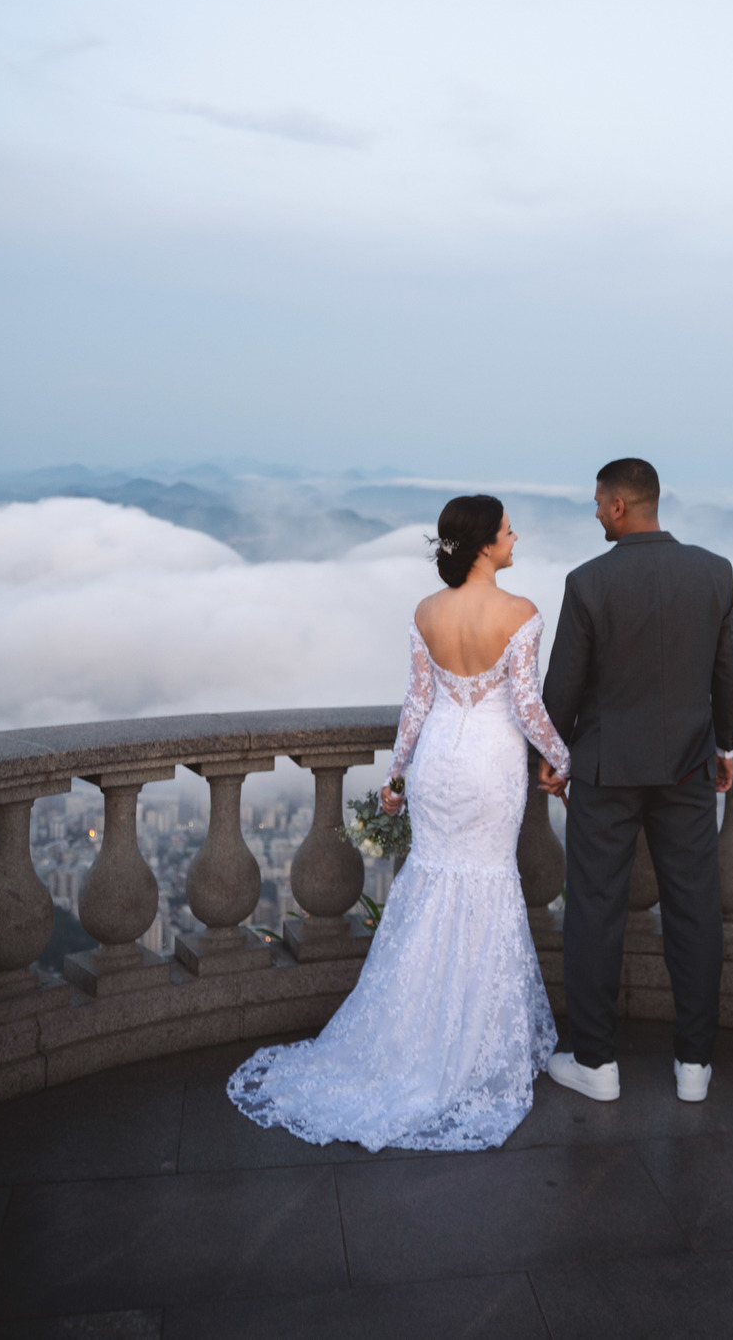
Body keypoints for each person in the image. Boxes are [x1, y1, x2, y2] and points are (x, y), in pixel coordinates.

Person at [227, 494, 571, 1152]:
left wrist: (396, 773)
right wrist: (564, 760)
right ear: (484, 543)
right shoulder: (522, 612)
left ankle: (409, 1037)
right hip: (492, 763)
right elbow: (527, 707)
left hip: (438, 759)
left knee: (431, 884)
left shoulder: (425, 611)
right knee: (486, 885)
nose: (514, 535)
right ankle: (468, 1046)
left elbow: (417, 700)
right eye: (506, 529)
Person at [538, 457, 733, 1104]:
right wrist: (726, 743)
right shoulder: (714, 572)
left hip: (605, 768)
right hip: (688, 763)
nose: (596, 512)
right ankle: (694, 1064)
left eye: (599, 503)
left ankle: (595, 1063)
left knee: (594, 910)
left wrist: (553, 754)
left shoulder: (588, 582)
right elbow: (726, 671)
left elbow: (562, 688)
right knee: (695, 908)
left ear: (620, 505)